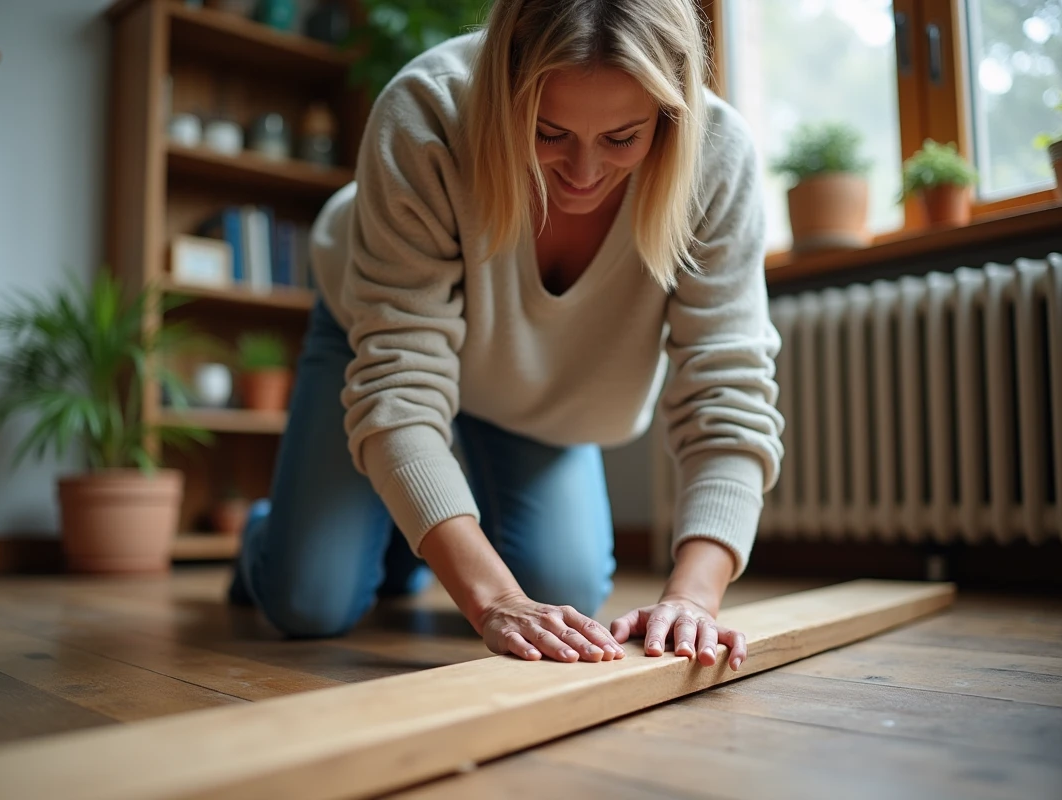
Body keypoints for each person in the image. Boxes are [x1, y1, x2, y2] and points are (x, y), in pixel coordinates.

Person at [229, 0, 785, 669]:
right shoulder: (425, 111)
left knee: (567, 594)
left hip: (530, 383)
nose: (583, 175)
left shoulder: (718, 157)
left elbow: (729, 396)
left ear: (669, 114)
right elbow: (399, 386)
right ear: (504, 90)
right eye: (548, 132)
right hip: (379, 336)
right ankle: (281, 532)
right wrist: (492, 600)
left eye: (621, 138)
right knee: (308, 601)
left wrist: (694, 598)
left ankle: (396, 540)